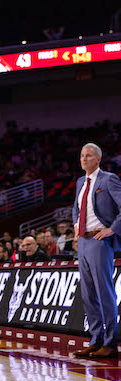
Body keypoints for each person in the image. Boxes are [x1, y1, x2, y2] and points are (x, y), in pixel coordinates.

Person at [72, 143, 121, 359]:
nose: (84, 159)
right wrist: (75, 224)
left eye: (88, 155)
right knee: (88, 295)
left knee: (104, 292)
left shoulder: (108, 179)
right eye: (82, 155)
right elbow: (76, 208)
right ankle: (95, 340)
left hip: (100, 241)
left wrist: (112, 229)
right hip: (83, 241)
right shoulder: (80, 182)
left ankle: (111, 342)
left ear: (98, 159)